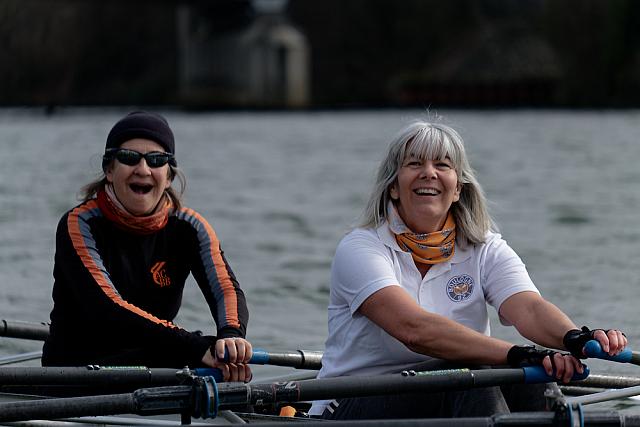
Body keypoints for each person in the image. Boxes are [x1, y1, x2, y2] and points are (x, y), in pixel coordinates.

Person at [309, 120, 627, 419]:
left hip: (451, 383)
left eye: (442, 165)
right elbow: (414, 330)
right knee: (475, 380)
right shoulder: (361, 248)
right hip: (352, 400)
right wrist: (520, 354)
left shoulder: (484, 248)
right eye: (414, 164)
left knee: (534, 383)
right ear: (393, 186)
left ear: (458, 188)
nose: (428, 173)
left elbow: (529, 309)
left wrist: (574, 338)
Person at [42, 111, 252, 382]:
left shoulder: (191, 227)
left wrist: (231, 337)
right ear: (109, 170)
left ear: (168, 176)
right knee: (197, 352)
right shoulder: (80, 224)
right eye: (129, 158)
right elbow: (109, 308)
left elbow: (225, 290)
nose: (143, 169)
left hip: (152, 364)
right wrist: (196, 347)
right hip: (78, 371)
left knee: (218, 362)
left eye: (156, 160)